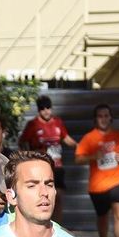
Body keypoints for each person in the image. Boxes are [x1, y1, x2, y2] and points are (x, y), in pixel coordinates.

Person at [74, 104, 119, 237]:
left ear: (111, 118)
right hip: (98, 186)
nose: (103, 119)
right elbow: (78, 158)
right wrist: (93, 156)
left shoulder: (118, 136)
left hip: (118, 180)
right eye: (100, 116)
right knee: (102, 218)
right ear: (95, 119)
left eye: (106, 115)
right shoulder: (89, 138)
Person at [17, 95, 77, 224]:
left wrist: (80, 147)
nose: (46, 111)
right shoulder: (33, 125)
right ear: (39, 110)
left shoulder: (58, 122)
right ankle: (41, 223)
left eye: (48, 108)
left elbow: (66, 138)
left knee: (58, 196)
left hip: (57, 166)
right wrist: (29, 157)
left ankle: (57, 225)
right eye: (43, 109)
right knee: (41, 196)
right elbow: (22, 142)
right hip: (41, 167)